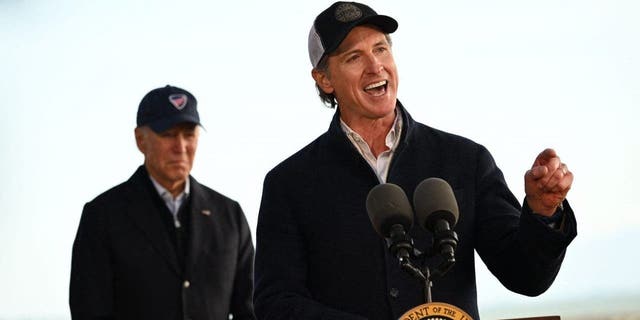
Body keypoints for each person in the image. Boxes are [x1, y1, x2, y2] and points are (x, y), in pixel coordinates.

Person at [253, 2, 577, 320]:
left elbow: (526, 276)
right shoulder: (289, 184)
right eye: (354, 57)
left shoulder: (465, 160)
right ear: (325, 80)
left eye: (381, 49)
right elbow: (276, 303)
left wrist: (542, 212)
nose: (375, 66)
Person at [70, 85, 256, 320]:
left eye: (189, 135)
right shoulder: (103, 217)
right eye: (167, 134)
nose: (180, 147)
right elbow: (89, 310)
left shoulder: (230, 216)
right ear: (140, 140)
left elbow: (250, 309)